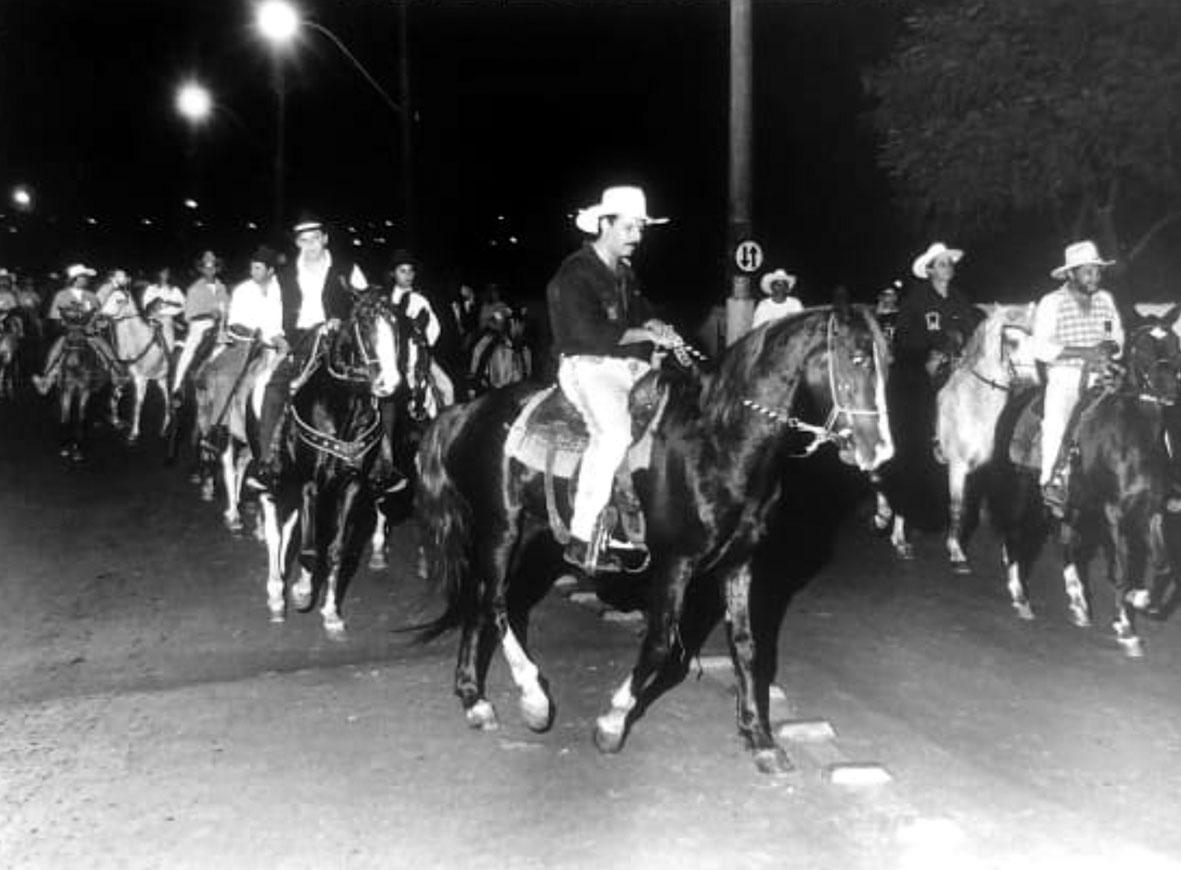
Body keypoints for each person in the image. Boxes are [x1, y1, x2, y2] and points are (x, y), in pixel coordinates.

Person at [546, 184, 680, 571]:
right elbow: (584, 334)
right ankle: (582, 536)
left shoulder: (625, 273)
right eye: (630, 228)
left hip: (625, 366)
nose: (638, 237)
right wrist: (645, 334)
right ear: (604, 224)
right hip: (586, 366)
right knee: (615, 434)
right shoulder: (574, 273)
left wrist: (658, 325)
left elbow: (640, 312)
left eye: (641, 228)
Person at [248, 216, 367, 491]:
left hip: (339, 345)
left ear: (325, 239)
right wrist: (278, 338)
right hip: (299, 343)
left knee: (374, 389)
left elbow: (365, 308)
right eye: (304, 240)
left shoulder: (348, 269)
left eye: (315, 238)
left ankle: (382, 464)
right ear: (297, 243)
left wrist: (344, 322)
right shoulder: (286, 274)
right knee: (273, 387)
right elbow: (271, 311)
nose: (310, 245)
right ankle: (267, 463)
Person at [1031, 240, 1124, 512]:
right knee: (1056, 425)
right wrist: (1084, 353)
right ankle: (1052, 481)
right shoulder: (1052, 302)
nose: (1095, 277)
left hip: (1105, 375)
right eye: (1088, 272)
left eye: (1097, 272)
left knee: (1143, 409)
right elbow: (1041, 347)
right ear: (1071, 274)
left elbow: (1117, 336)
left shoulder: (1106, 300)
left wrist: (1109, 346)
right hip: (1065, 376)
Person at [224, 246, 288, 440]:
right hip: (246, 346)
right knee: (225, 381)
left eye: (258, 268)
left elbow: (280, 322)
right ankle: (218, 426)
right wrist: (258, 336)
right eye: (252, 268)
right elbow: (234, 323)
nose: (253, 272)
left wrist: (280, 341)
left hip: (276, 348)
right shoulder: (242, 291)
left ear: (270, 271)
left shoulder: (281, 290)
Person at [32, 264, 118, 394]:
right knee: (56, 348)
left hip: (89, 332)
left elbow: (98, 315)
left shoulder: (91, 296)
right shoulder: (61, 295)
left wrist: (101, 322)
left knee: (105, 347)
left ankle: (117, 374)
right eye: (83, 277)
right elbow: (55, 316)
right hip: (69, 332)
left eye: (86, 278)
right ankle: (46, 379)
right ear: (75, 279)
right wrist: (67, 325)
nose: (86, 280)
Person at [172, 250, 230, 398]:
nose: (209, 270)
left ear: (217, 269)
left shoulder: (222, 288)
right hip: (199, 326)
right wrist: (209, 314)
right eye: (206, 267)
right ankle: (176, 386)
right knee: (188, 351)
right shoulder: (194, 289)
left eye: (212, 267)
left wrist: (224, 318)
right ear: (202, 269)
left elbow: (227, 308)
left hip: (221, 327)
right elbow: (189, 315)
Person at [142, 267, 186, 352]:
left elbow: (183, 305)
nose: (165, 275)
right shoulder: (151, 288)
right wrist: (154, 304)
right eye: (163, 272)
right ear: (158, 274)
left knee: (168, 344)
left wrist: (170, 303)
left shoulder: (174, 289)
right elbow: (146, 305)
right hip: (153, 319)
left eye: (167, 273)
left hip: (168, 320)